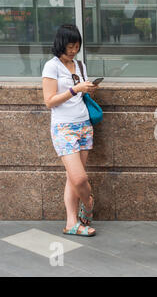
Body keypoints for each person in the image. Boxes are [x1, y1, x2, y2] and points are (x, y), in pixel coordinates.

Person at [42, 24, 98, 237]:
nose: (74, 50)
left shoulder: (80, 65)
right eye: (70, 46)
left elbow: (81, 95)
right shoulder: (52, 66)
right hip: (63, 127)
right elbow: (49, 101)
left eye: (77, 46)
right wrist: (75, 89)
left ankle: (71, 223)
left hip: (84, 124)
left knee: (71, 178)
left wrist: (88, 88)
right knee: (79, 178)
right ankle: (89, 202)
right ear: (61, 44)